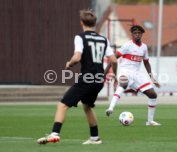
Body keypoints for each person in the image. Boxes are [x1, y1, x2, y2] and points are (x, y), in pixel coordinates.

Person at [37, 9, 117, 145]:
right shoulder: (104, 39)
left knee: (62, 105)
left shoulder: (80, 37)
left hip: (87, 79)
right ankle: (95, 138)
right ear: (95, 23)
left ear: (81, 23)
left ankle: (54, 134)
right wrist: (114, 74)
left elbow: (77, 56)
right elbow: (114, 60)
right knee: (87, 106)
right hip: (98, 80)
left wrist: (70, 63)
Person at [105, 25, 161, 126]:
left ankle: (149, 121)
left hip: (137, 74)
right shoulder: (127, 45)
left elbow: (146, 63)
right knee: (124, 83)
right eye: (135, 33)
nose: (137, 35)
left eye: (139, 33)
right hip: (124, 71)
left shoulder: (144, 47)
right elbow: (113, 59)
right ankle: (110, 108)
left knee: (153, 94)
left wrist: (153, 78)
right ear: (132, 35)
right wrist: (104, 73)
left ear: (142, 34)